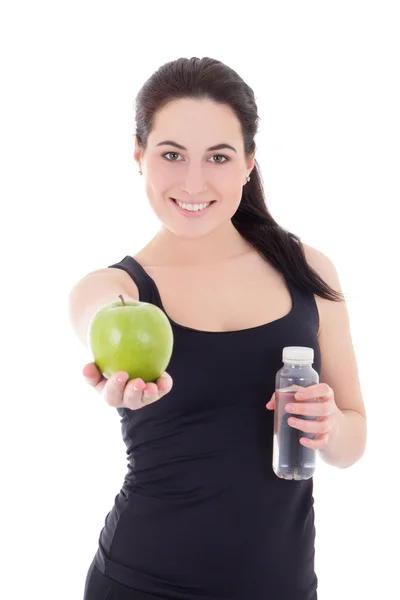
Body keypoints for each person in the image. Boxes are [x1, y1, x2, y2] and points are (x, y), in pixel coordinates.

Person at [69, 57, 367, 600]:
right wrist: (114, 363)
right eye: (171, 155)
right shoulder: (118, 289)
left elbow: (353, 442)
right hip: (139, 582)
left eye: (219, 157)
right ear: (139, 157)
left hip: (283, 587)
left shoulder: (309, 271)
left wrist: (330, 427)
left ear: (249, 162)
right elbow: (98, 313)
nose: (194, 181)